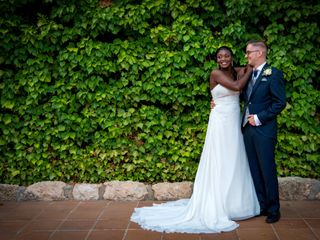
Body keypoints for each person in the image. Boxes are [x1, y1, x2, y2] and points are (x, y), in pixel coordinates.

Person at [130, 46, 260, 233]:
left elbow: (245, 73)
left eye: (226, 56)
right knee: (219, 159)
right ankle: (217, 203)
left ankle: (234, 204)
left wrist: (248, 67)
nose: (223, 59)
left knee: (234, 158)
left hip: (233, 120)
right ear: (216, 59)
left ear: (232, 58)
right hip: (220, 121)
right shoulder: (215, 73)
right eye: (219, 56)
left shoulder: (237, 71)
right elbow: (238, 87)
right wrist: (249, 70)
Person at [241, 40, 286, 223]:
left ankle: (274, 209)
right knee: (254, 169)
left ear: (259, 53)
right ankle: (262, 205)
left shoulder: (273, 74)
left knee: (267, 169)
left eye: (248, 52)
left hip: (264, 130)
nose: (246, 56)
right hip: (247, 130)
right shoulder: (247, 73)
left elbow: (279, 103)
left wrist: (259, 118)